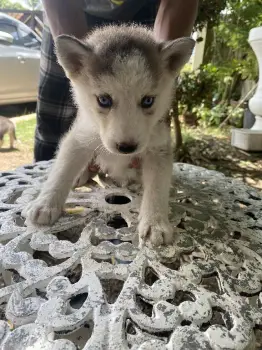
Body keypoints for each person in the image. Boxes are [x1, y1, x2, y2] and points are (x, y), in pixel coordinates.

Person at [35, 0, 199, 161]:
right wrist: (86, 83)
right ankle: (41, 183)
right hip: (66, 13)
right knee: (53, 128)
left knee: (151, 147)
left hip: (142, 10)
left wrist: (162, 74)